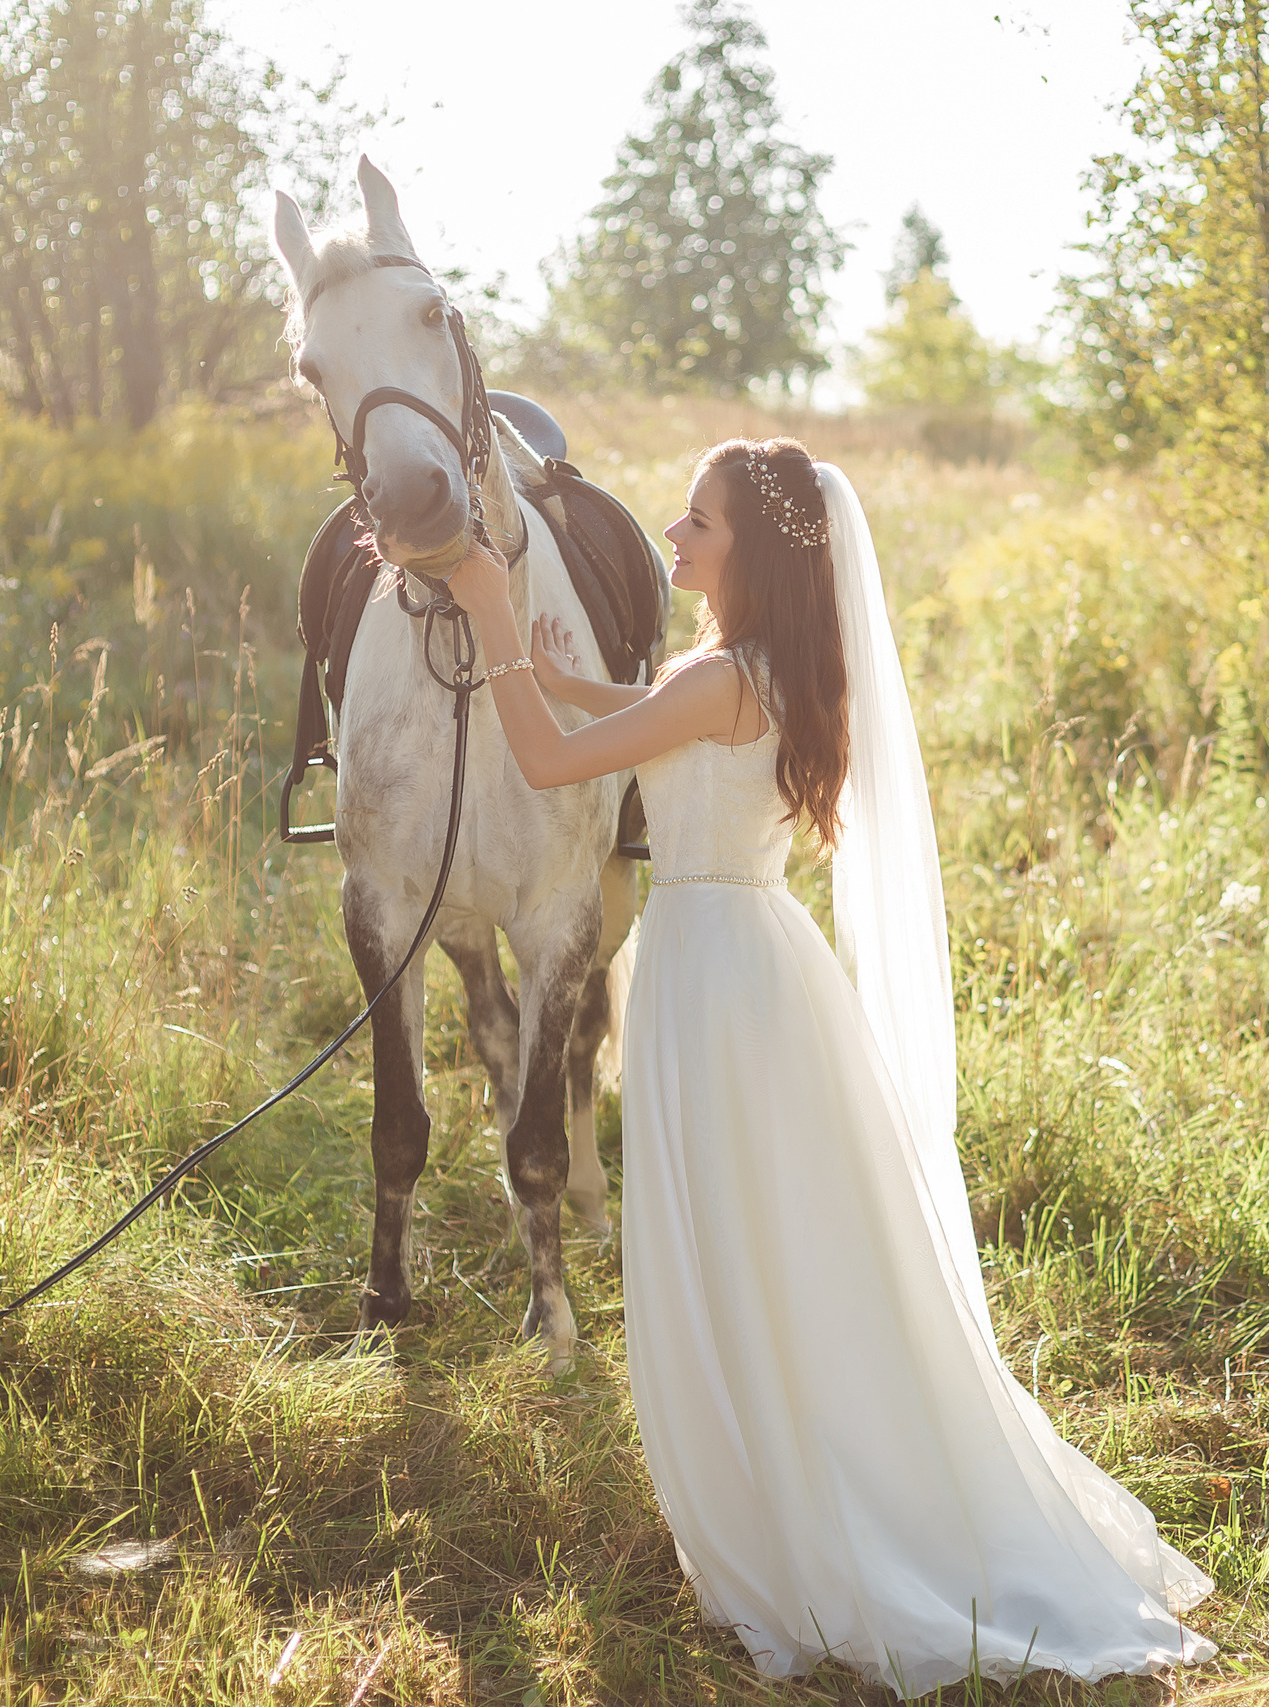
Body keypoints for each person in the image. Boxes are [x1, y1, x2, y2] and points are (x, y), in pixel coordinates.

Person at [445, 438, 1217, 1695]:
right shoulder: (744, 670)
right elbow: (622, 719)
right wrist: (540, 660)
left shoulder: (727, 680)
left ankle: (802, 1512)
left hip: (723, 979)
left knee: (742, 1243)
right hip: (737, 962)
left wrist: (489, 618)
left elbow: (548, 760)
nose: (673, 537)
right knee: (755, 1237)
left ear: (752, 552)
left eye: (696, 524)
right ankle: (779, 1473)